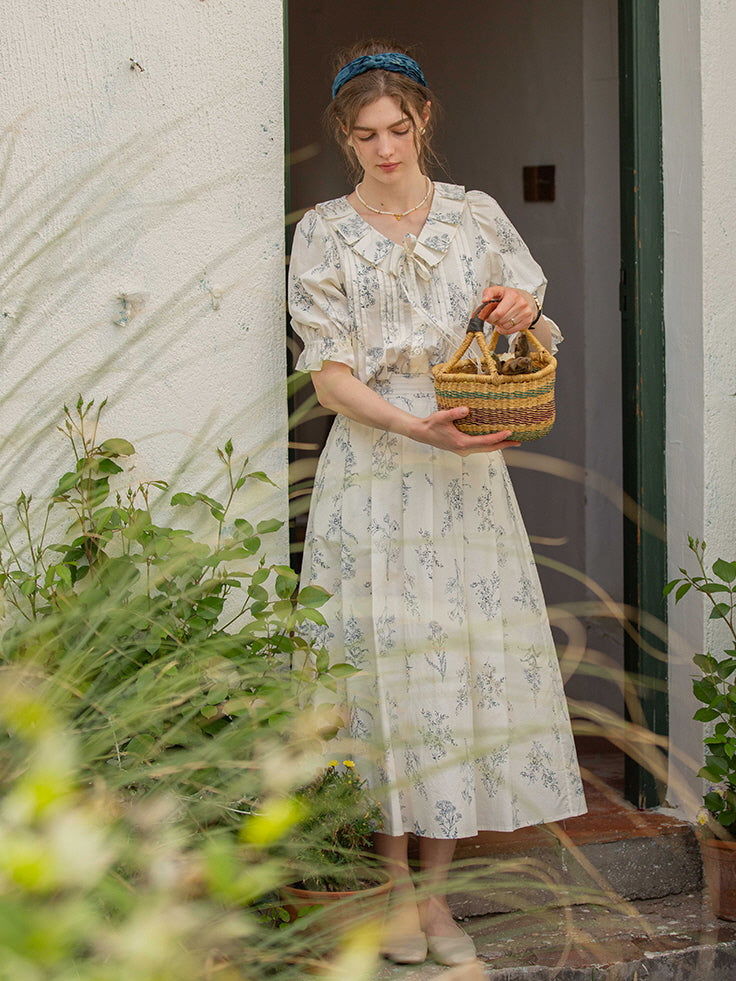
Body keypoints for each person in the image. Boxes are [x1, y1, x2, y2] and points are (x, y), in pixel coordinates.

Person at [288, 40, 586, 968]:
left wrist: (515, 310)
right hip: (378, 469)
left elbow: (537, 317)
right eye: (367, 133)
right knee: (385, 675)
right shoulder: (323, 231)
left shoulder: (475, 215)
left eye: (400, 128)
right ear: (345, 135)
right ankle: (388, 897)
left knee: (455, 670)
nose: (386, 147)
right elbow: (330, 379)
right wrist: (417, 430)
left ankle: (438, 902)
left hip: (469, 475)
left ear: (423, 124)